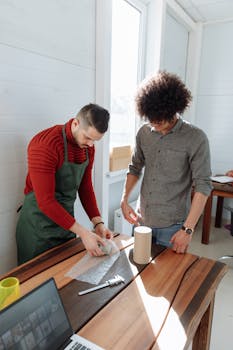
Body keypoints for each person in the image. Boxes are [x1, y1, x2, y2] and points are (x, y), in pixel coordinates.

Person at [121, 71, 212, 254]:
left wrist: (187, 229)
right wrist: (124, 199)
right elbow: (135, 167)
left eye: (159, 120)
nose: (154, 123)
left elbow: (203, 185)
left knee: (168, 279)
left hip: (173, 226)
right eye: (150, 119)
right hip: (142, 219)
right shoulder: (144, 133)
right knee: (138, 272)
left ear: (173, 109)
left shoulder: (195, 138)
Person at [16, 103, 112, 264]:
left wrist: (98, 223)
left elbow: (85, 187)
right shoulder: (46, 145)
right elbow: (46, 202)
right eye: (87, 137)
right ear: (75, 123)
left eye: (95, 141)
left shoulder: (87, 148)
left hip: (66, 224)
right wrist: (83, 233)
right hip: (38, 226)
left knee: (63, 276)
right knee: (36, 281)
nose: (90, 145)